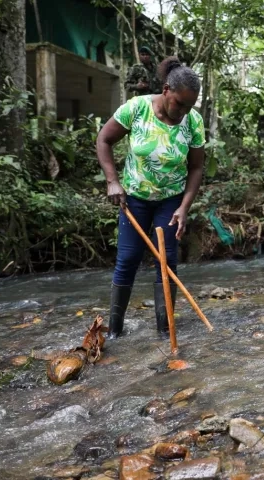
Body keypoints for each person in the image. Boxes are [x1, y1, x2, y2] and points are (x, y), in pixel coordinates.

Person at [96, 57, 205, 340]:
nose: (183, 111)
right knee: (128, 258)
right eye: (179, 103)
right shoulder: (137, 108)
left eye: (189, 106)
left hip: (170, 201)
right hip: (134, 199)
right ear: (166, 89)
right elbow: (104, 140)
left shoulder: (193, 121)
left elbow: (196, 168)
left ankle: (164, 330)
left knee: (166, 262)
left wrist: (183, 208)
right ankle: (115, 333)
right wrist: (112, 181)